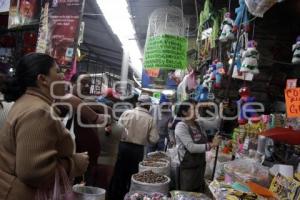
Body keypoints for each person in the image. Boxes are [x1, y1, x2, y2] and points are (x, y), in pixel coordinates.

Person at [0, 53, 89, 200]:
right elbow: (33, 172)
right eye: (58, 71)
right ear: (43, 79)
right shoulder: (39, 112)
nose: (63, 77)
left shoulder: (28, 102)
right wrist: (74, 165)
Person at [108, 94, 159, 200]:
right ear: (149, 106)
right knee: (132, 176)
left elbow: (117, 130)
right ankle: (129, 196)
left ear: (138, 103)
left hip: (122, 147)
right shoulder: (150, 119)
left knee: (119, 173)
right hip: (137, 151)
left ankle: (115, 196)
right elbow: (154, 139)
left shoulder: (127, 113)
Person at [175, 99, 221, 192]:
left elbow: (216, 124)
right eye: (194, 109)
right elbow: (191, 148)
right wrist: (212, 145)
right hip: (188, 169)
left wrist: (220, 109)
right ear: (184, 112)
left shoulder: (199, 123)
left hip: (200, 167)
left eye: (197, 108)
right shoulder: (181, 126)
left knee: (197, 193)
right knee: (187, 194)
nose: (197, 111)